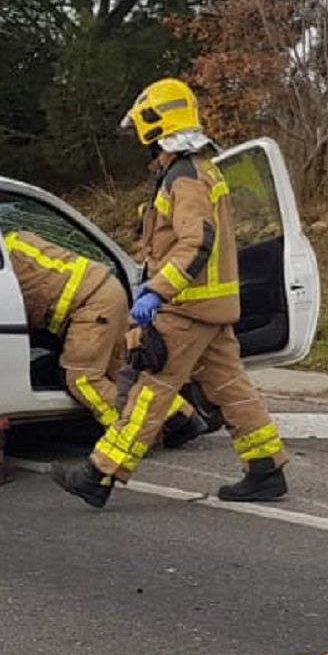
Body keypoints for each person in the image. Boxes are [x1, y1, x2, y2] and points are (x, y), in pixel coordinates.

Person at [51, 78, 286, 508]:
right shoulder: (202, 169)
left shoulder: (183, 177)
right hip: (210, 308)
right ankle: (266, 467)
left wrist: (156, 292)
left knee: (149, 390)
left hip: (187, 308)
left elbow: (196, 241)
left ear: (155, 128)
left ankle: (99, 474)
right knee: (231, 387)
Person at [4, 227, 202, 444]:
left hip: (89, 305)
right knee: (118, 371)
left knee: (82, 378)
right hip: (107, 291)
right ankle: (181, 416)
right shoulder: (18, 241)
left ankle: (128, 435)